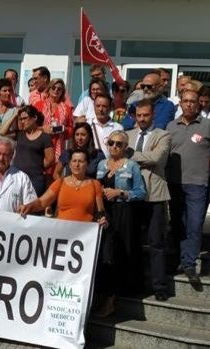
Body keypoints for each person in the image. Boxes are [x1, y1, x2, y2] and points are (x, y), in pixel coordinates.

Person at [167, 90, 210, 285]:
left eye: (193, 101)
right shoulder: (171, 126)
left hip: (197, 185)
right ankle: (179, 260)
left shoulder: (208, 125)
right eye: (186, 101)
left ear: (198, 104)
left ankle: (190, 264)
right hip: (174, 183)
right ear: (181, 104)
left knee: (194, 224)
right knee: (178, 224)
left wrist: (205, 172)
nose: (189, 104)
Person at [94, 130, 146, 317]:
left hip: (123, 213)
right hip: (104, 214)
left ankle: (111, 300)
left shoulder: (131, 166)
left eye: (119, 144)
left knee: (117, 255)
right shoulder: (101, 164)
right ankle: (101, 295)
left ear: (125, 147)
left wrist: (120, 193)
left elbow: (141, 192)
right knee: (103, 254)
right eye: (111, 143)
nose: (114, 147)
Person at [126, 98, 171, 301]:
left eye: (146, 115)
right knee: (132, 242)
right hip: (131, 196)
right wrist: (144, 157)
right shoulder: (127, 135)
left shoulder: (164, 135)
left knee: (156, 243)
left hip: (155, 195)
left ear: (153, 115)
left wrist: (132, 155)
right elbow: (119, 157)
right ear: (134, 116)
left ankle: (159, 287)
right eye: (139, 115)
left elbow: (157, 159)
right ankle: (134, 284)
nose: (142, 118)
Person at [17, 149, 107, 226]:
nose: (77, 164)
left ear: (87, 164)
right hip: (62, 233)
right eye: (74, 161)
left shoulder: (95, 184)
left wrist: (102, 220)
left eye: (81, 161)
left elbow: (100, 212)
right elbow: (41, 202)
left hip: (85, 237)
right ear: (70, 164)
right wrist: (28, 206)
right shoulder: (60, 183)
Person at [0, 106, 53, 196]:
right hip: (17, 178)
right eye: (21, 119)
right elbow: (2, 132)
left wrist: (36, 166)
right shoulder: (20, 134)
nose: (23, 121)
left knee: (32, 207)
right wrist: (15, 115)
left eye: (25, 118)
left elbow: (50, 159)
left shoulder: (45, 137)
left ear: (34, 118)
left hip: (35, 180)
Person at [34, 78, 73, 178]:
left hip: (58, 146)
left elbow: (71, 129)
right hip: (41, 145)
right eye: (54, 87)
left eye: (59, 89)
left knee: (54, 177)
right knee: (39, 174)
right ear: (49, 89)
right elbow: (30, 126)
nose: (56, 90)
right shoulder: (38, 105)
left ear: (62, 92)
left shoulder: (67, 109)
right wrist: (43, 129)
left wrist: (63, 129)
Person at [90, 94, 124, 158]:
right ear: (94, 106)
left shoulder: (118, 128)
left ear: (110, 107)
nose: (100, 109)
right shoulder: (88, 125)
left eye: (104, 106)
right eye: (98, 106)